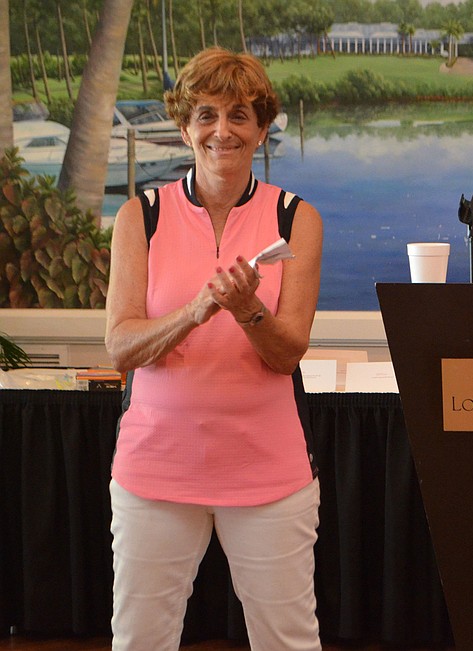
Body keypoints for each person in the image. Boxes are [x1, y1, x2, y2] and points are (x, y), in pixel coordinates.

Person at [105, 47, 323, 651]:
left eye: (238, 115)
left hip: (268, 474)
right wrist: (197, 311)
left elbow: (287, 355)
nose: (221, 131)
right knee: (139, 640)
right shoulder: (139, 217)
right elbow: (122, 348)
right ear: (184, 127)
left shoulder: (296, 218)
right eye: (206, 114)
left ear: (260, 129)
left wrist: (249, 311)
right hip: (155, 472)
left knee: (289, 641)